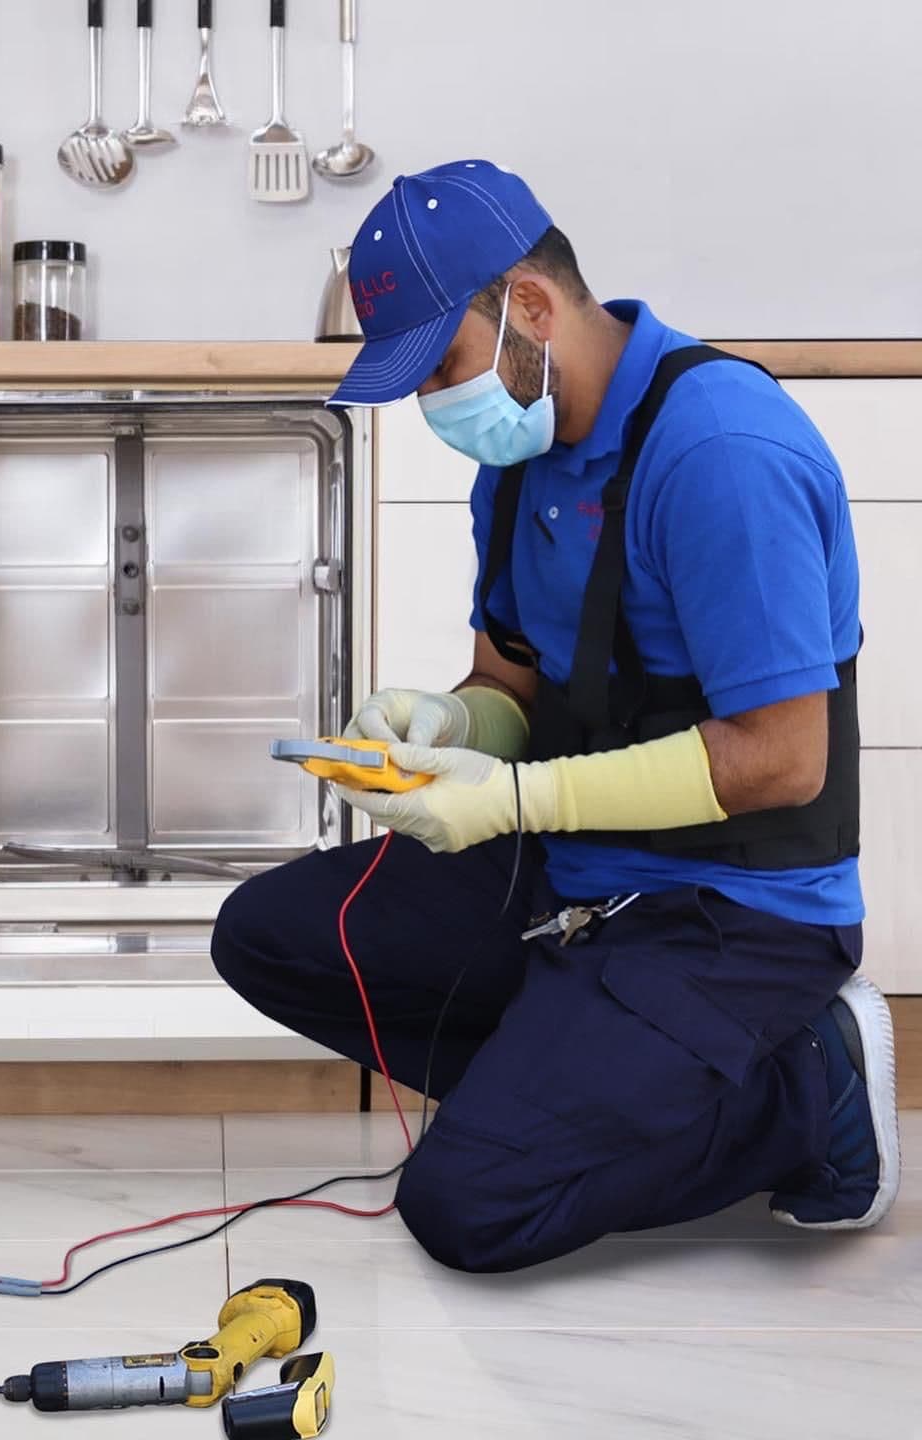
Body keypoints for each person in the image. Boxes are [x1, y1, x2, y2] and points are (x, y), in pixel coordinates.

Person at [210, 160, 899, 1273]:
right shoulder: (521, 461)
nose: (437, 406)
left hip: (733, 910)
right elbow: (512, 681)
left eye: (441, 368)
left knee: (466, 1208)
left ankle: (805, 1087)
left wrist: (517, 798)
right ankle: (576, 1067)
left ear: (528, 305)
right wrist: (445, 726)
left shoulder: (721, 454)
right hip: (575, 870)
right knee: (265, 937)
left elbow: (783, 761)